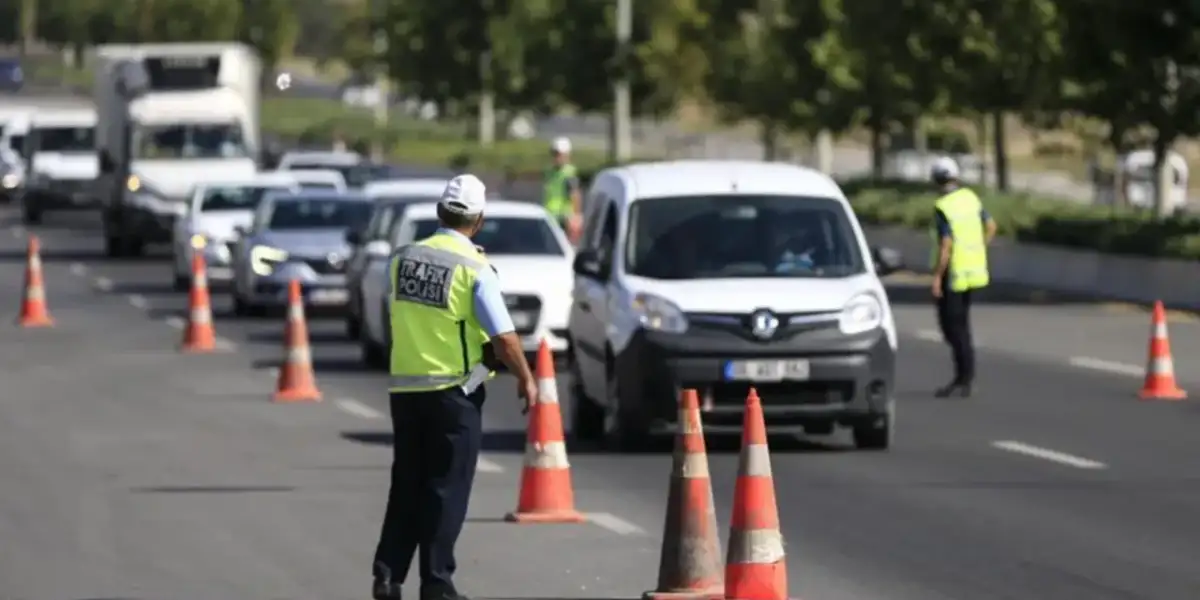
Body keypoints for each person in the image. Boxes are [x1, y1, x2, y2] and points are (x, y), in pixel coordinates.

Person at [372, 174, 539, 600]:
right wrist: (526, 377)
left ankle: (388, 575)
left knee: (407, 484)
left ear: (439, 213)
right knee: (445, 490)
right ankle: (436, 584)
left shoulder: (402, 259)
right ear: (478, 220)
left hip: (406, 391)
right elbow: (503, 339)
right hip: (452, 393)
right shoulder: (474, 268)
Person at [929, 156, 996, 398]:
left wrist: (937, 277)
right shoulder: (970, 198)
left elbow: (946, 244)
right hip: (972, 271)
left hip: (954, 273)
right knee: (962, 327)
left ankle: (963, 378)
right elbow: (991, 226)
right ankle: (964, 377)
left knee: (952, 328)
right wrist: (978, 249)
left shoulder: (943, 206)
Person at [543, 137, 582, 241]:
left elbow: (575, 195)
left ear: (567, 156)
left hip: (564, 218)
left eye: (559, 155)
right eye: (555, 154)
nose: (557, 158)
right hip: (550, 215)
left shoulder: (569, 173)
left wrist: (575, 217)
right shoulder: (549, 172)